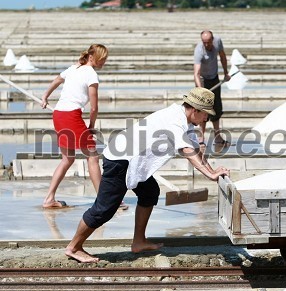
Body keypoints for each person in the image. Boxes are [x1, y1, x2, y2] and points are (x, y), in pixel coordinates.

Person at [64, 87, 230, 263]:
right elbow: (187, 150)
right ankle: (74, 247)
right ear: (195, 110)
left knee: (149, 192)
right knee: (104, 210)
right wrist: (210, 176)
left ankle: (139, 241)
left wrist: (213, 171)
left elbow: (195, 150)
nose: (207, 119)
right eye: (206, 114)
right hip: (121, 159)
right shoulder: (175, 120)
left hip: (133, 160)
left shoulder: (186, 122)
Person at [40, 44, 108, 209]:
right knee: (92, 156)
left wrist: (45, 96)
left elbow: (57, 79)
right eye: (102, 58)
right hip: (71, 115)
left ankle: (49, 199)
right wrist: (91, 126)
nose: (105, 61)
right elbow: (93, 107)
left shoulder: (73, 68)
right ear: (92, 57)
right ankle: (104, 202)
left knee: (68, 159)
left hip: (58, 114)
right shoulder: (91, 74)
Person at [193, 30, 231, 146]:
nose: (206, 45)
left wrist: (225, 73)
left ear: (212, 40)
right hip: (202, 80)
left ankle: (217, 137)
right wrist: (201, 90)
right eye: (204, 42)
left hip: (214, 77)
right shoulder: (199, 50)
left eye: (208, 42)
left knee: (216, 108)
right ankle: (201, 137)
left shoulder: (218, 42)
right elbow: (196, 73)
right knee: (203, 108)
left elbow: (223, 56)